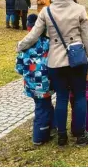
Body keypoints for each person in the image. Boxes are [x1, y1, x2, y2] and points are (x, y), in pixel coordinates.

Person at [17, 0, 88, 147]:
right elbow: (87, 39)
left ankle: (61, 136)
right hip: (78, 61)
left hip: (55, 62)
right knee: (80, 97)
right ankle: (80, 135)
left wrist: (20, 46)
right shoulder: (80, 9)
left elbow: (33, 35)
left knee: (61, 97)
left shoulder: (47, 11)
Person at [15, 14, 54, 146]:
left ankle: (51, 127)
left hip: (32, 84)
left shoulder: (24, 46)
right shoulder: (48, 43)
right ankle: (39, 136)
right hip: (45, 82)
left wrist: (28, 72)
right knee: (42, 108)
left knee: (44, 105)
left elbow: (19, 68)